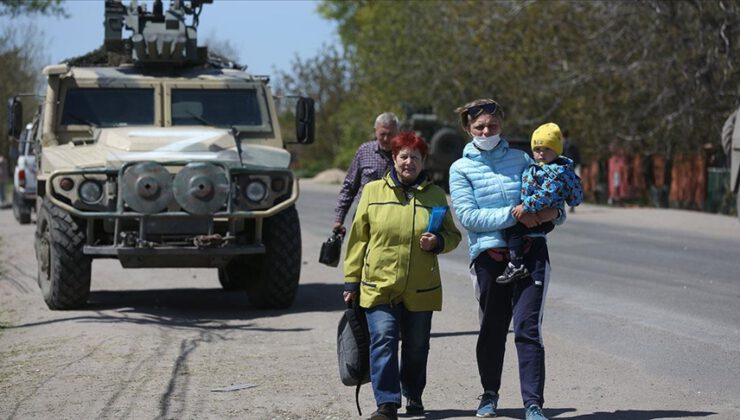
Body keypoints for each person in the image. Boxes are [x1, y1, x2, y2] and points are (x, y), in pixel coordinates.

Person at [448, 99, 563, 420]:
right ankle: (489, 394)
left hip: (531, 253)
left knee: (527, 328)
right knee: (492, 329)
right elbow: (469, 217)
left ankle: (533, 403)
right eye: (480, 127)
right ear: (468, 129)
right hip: (489, 258)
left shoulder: (522, 159)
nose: (487, 131)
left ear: (502, 126)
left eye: (493, 126)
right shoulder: (460, 169)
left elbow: (552, 201)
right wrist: (516, 217)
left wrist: (552, 213)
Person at [343, 131, 461, 420]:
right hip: (379, 283)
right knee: (382, 338)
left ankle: (413, 393)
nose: (409, 162)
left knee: (416, 347)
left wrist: (438, 242)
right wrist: (351, 281)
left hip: (421, 287)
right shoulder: (372, 192)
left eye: (416, 158)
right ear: (394, 159)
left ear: (424, 162)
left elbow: (453, 235)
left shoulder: (435, 195)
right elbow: (358, 239)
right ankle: (387, 403)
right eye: (404, 156)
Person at [497, 122, 583, 284]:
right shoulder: (540, 167)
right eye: (537, 149)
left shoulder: (556, 172)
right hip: (537, 213)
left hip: (541, 215)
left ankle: (516, 264)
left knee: (513, 230)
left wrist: (525, 207)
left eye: (546, 149)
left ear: (556, 150)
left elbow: (546, 194)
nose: (541, 153)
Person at [333, 112, 399, 235]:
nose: (386, 139)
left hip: (395, 218)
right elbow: (349, 186)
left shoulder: (405, 156)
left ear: (397, 132)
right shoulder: (364, 151)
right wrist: (339, 219)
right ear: (375, 132)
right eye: (382, 134)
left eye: (390, 135)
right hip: (365, 216)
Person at [561, 128, 581, 213]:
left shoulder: (570, 146)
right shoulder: (563, 146)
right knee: (566, 187)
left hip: (569, 168)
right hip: (565, 168)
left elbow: (577, 158)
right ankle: (564, 205)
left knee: (570, 187)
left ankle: (572, 205)